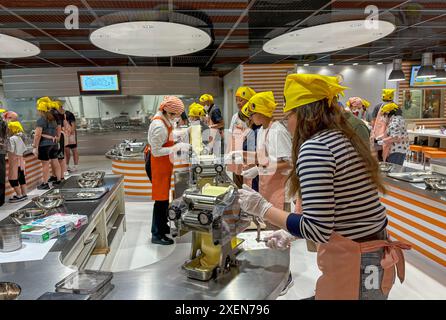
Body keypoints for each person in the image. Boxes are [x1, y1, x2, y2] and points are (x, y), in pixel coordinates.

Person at [238, 74, 410, 300]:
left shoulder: (315, 148)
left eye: (289, 115)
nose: (288, 123)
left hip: (356, 263)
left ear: (303, 115)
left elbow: (317, 229)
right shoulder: (342, 138)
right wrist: (292, 232)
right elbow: (340, 211)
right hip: (371, 254)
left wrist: (261, 208)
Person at [147, 96, 189, 245]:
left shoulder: (165, 120)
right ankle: (156, 234)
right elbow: (156, 151)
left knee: (164, 199)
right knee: (160, 200)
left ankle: (163, 227)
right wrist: (176, 148)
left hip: (163, 164)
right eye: (176, 115)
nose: (177, 118)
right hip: (157, 164)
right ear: (168, 112)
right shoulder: (158, 125)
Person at [241, 91, 292, 211]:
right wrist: (241, 155)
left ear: (262, 112)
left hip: (281, 188)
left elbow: (288, 163)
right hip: (267, 185)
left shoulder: (278, 131)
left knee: (279, 227)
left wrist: (259, 170)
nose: (250, 118)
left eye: (252, 114)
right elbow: (262, 156)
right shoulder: (261, 130)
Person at [227, 87, 256, 188]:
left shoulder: (253, 117)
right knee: (237, 183)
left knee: (248, 184)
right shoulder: (235, 116)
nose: (238, 103)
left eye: (241, 100)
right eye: (237, 100)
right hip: (236, 155)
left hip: (248, 156)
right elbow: (231, 134)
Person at [33, 97, 62, 190]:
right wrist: (57, 138)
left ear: (41, 110)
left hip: (44, 145)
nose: (37, 111)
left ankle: (45, 183)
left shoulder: (41, 120)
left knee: (45, 165)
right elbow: (58, 130)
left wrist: (35, 146)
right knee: (55, 161)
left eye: (38, 109)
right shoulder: (53, 119)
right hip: (53, 144)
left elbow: (37, 135)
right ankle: (58, 180)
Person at [370, 89, 396, 161]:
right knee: (380, 156)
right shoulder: (378, 107)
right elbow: (374, 121)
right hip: (379, 136)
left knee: (387, 156)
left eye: (388, 101)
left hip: (390, 137)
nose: (387, 104)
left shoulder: (395, 108)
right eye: (386, 101)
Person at [7, 121, 27, 202]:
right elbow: (24, 149)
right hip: (21, 161)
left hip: (14, 161)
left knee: (12, 179)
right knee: (21, 178)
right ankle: (24, 194)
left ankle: (19, 195)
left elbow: (11, 150)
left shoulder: (11, 139)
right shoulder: (19, 137)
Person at [48, 100, 68, 182]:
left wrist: (59, 136)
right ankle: (55, 175)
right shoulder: (61, 114)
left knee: (60, 158)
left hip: (59, 136)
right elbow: (65, 124)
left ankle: (61, 176)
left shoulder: (55, 113)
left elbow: (59, 125)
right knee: (56, 158)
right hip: (60, 135)